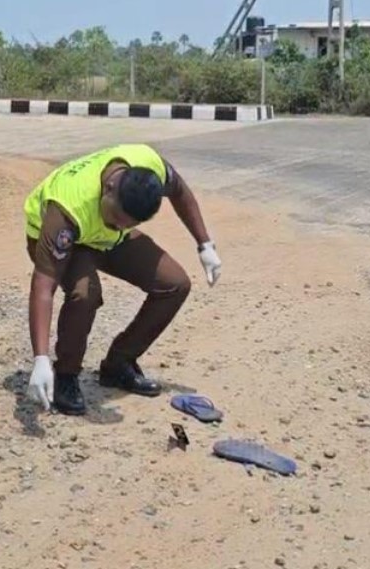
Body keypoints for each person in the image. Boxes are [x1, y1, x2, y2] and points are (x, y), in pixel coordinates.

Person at [22, 143, 222, 415]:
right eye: (117, 218)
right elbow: (43, 287)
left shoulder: (149, 165)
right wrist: (40, 358)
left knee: (175, 284)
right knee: (86, 293)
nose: (121, 226)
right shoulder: (68, 207)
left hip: (103, 237)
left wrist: (204, 244)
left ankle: (119, 364)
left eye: (130, 223)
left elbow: (180, 191)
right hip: (63, 235)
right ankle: (65, 375)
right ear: (109, 188)